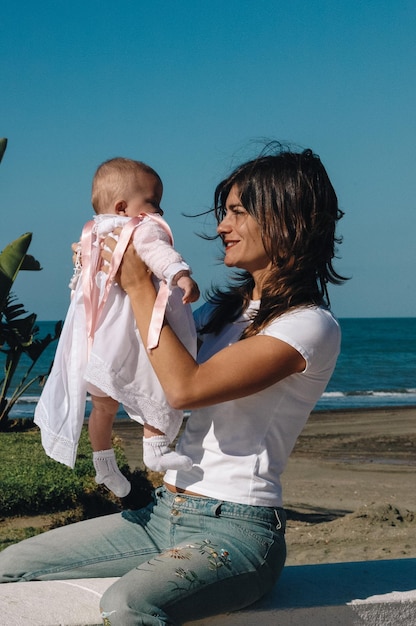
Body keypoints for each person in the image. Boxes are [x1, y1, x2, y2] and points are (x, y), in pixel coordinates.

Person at [0, 144, 346, 625]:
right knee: (8, 567)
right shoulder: (221, 315)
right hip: (165, 513)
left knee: (128, 606)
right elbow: (143, 353)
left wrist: (141, 285)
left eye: (237, 213)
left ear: (287, 219)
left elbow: (185, 387)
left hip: (239, 533)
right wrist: (102, 278)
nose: (222, 227)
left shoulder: (308, 327)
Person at [34, 157, 199, 498]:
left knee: (103, 406)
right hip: (129, 332)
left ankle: (103, 464)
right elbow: (159, 254)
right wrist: (180, 275)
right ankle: (155, 446)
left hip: (95, 339)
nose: (160, 212)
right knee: (158, 381)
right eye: (154, 203)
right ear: (124, 208)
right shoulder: (142, 227)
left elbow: (79, 286)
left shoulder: (90, 235)